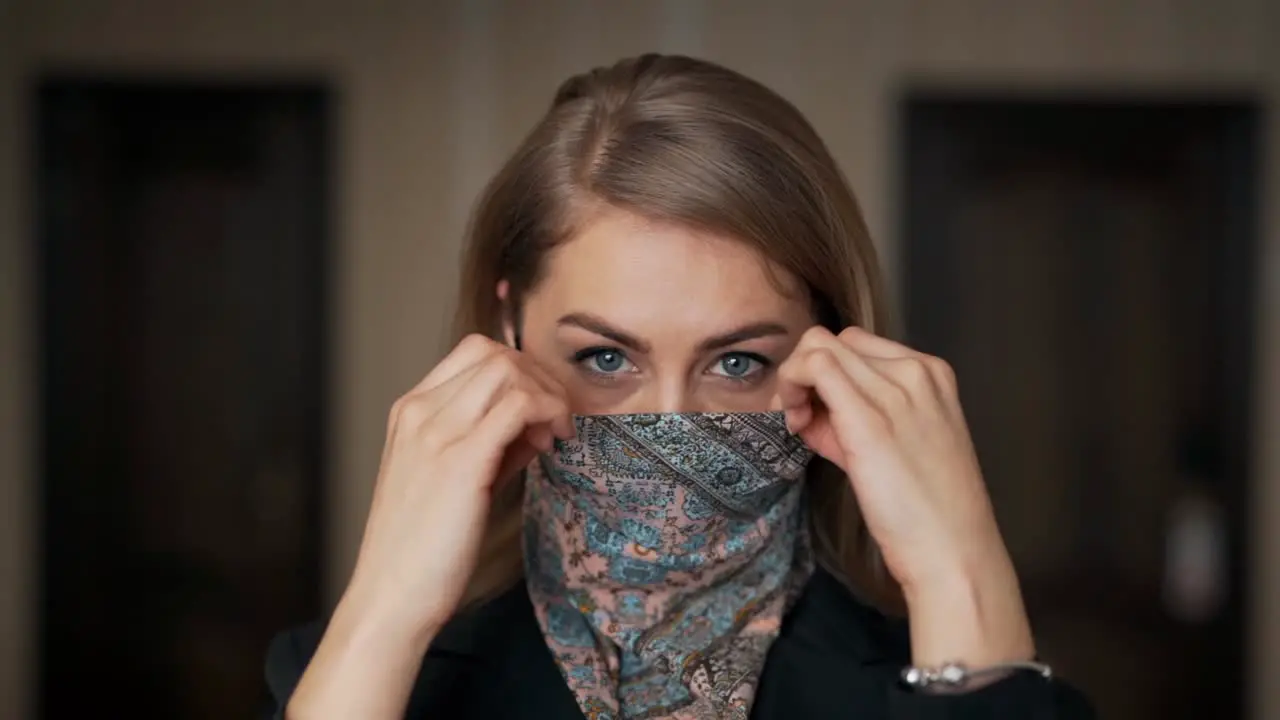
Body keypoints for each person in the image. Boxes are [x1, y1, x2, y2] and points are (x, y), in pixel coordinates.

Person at [264, 54, 1096, 719]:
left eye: (737, 363)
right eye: (605, 358)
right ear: (511, 331)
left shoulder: (964, 677)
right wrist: (384, 611)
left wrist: (958, 572)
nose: (671, 426)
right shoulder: (359, 681)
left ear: (830, 355)